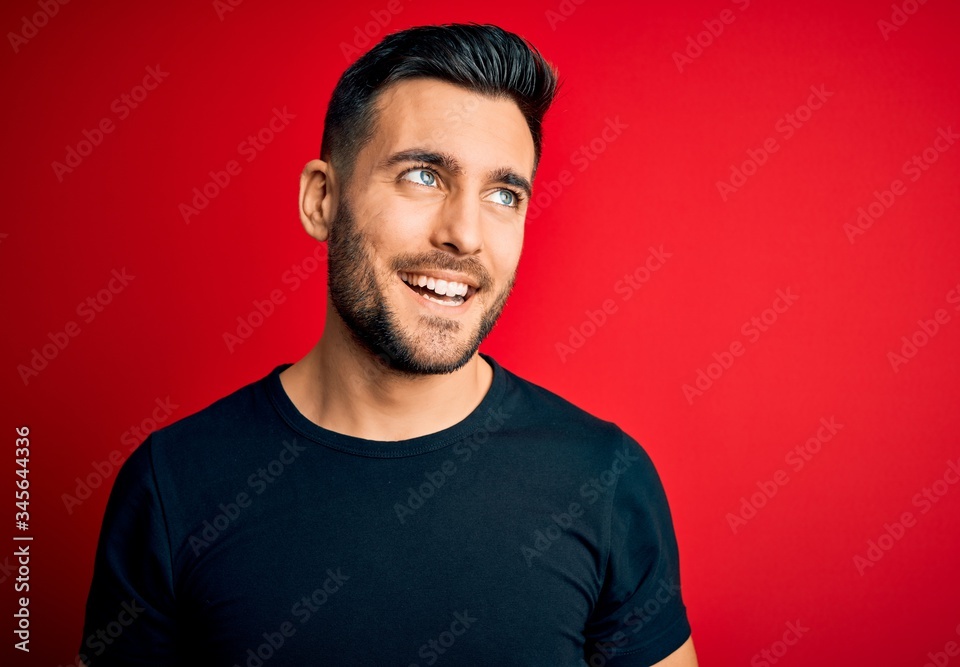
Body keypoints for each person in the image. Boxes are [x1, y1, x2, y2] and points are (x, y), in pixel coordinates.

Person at [79, 23, 698, 666]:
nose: (465, 234)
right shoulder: (172, 483)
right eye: (424, 176)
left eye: (503, 194)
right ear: (322, 200)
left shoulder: (604, 478)